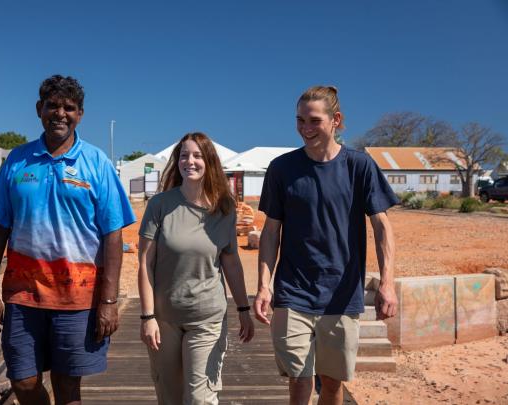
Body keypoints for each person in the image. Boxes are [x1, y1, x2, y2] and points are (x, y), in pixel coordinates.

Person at [0, 75, 135, 405]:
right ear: (39, 109)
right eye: (53, 106)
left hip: (78, 300)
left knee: (68, 388)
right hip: (23, 297)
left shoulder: (96, 163)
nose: (60, 113)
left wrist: (108, 302)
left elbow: (113, 234)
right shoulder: (17, 161)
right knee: (23, 382)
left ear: (80, 114)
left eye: (69, 107)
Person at [253, 86, 399, 405]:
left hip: (342, 294)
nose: (305, 128)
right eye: (300, 120)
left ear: (336, 120)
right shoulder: (282, 169)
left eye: (314, 120)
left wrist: (387, 284)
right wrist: (264, 286)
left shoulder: (359, 167)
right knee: (299, 382)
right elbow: (270, 232)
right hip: (293, 291)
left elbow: (382, 226)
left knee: (332, 384)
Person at [137, 132, 255, 405]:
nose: (190, 161)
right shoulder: (160, 205)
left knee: (199, 400)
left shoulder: (224, 209)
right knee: (170, 397)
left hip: (207, 319)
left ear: (209, 161)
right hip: (164, 319)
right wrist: (147, 317)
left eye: (197, 155)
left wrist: (243, 309)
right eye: (184, 155)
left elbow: (231, 262)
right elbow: (145, 263)